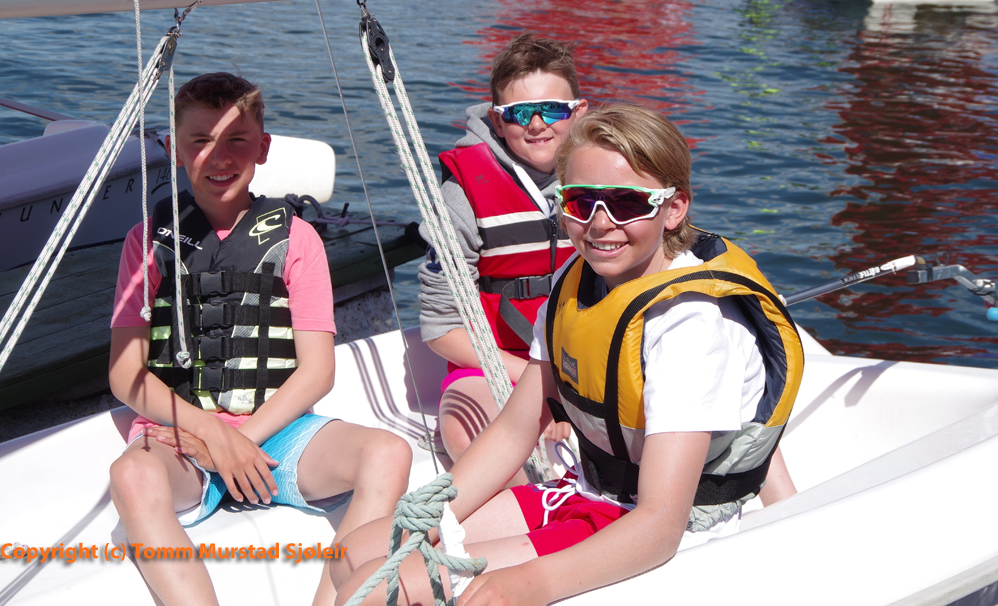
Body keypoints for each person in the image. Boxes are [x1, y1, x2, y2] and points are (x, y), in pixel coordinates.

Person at [331, 104, 804, 606]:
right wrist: (429, 512)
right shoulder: (573, 282)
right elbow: (515, 431)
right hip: (585, 494)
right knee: (354, 552)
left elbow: (661, 523)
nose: (599, 224)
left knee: (378, 589)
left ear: (674, 208)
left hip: (658, 530)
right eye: (580, 202)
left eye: (626, 203)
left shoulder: (690, 327)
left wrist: (529, 583)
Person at [107, 72, 412, 606]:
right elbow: (124, 373)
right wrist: (210, 434)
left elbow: (317, 372)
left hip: (278, 435)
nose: (219, 157)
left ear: (263, 148)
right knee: (131, 476)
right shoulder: (145, 242)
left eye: (237, 140)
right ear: (175, 150)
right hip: (183, 438)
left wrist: (241, 440)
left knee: (388, 453)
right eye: (201, 141)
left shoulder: (299, 239)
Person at [419, 33, 585, 472]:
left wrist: (569, 387)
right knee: (469, 434)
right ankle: (522, 512)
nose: (537, 125)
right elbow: (440, 328)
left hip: (585, 362)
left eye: (552, 109)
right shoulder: (461, 193)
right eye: (519, 113)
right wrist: (538, 382)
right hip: (493, 366)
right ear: (497, 118)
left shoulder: (604, 180)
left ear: (578, 112)